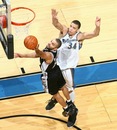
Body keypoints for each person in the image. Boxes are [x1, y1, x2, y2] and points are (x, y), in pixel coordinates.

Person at [45, 9, 101, 111]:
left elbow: (94, 34)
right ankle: (55, 99)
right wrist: (54, 17)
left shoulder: (79, 36)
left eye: (74, 28)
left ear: (77, 30)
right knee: (57, 86)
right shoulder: (64, 31)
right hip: (57, 64)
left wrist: (97, 26)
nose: (71, 29)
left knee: (69, 89)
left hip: (68, 66)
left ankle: (73, 109)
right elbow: (56, 24)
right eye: (70, 26)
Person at [14, 38, 77, 127]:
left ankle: (68, 109)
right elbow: (37, 55)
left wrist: (36, 48)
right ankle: (69, 102)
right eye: (51, 41)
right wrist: (20, 55)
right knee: (63, 86)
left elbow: (40, 54)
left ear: (55, 49)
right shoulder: (49, 51)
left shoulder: (48, 54)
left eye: (52, 44)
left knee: (55, 94)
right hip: (57, 70)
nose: (50, 43)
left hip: (50, 76)